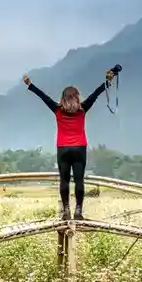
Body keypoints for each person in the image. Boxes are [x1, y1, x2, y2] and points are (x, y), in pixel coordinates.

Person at [22, 70, 115, 221]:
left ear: (63, 98)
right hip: (79, 148)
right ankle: (78, 212)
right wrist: (107, 82)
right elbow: (95, 94)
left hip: (63, 149)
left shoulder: (57, 109)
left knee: (64, 181)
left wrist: (30, 85)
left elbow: (43, 97)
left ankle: (66, 211)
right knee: (79, 180)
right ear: (77, 97)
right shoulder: (82, 109)